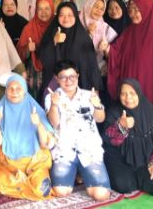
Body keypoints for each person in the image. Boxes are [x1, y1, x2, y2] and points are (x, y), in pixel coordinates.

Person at [103, 0, 153, 172]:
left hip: (152, 91)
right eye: (131, 10)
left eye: (137, 10)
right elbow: (117, 52)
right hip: (132, 93)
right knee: (133, 127)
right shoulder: (130, 32)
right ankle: (138, 162)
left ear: (147, 11)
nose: (133, 14)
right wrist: (107, 49)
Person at [45, 61, 111, 201]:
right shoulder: (51, 97)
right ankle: (76, 172)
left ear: (78, 76)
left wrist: (97, 105)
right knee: (61, 192)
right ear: (57, 79)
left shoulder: (89, 95)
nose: (68, 81)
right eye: (63, 77)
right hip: (64, 151)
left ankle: (81, 172)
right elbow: (54, 123)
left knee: (101, 195)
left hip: (89, 150)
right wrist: (54, 105)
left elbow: (100, 119)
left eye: (72, 76)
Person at [0, 74, 54, 201]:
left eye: (18, 88)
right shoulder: (0, 110)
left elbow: (45, 143)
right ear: (5, 91)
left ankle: (22, 184)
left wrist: (39, 124)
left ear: (25, 91)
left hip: (35, 163)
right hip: (9, 165)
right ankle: (26, 185)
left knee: (41, 190)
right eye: (10, 88)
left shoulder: (35, 109)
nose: (14, 92)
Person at [103, 79, 153, 197]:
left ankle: (137, 178)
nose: (128, 97)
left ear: (139, 93)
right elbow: (107, 140)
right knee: (123, 186)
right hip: (119, 160)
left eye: (132, 93)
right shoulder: (114, 112)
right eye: (123, 93)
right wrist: (121, 126)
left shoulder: (150, 111)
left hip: (144, 162)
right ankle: (128, 178)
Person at [37, 2, 101, 101]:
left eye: (70, 15)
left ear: (76, 16)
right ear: (57, 17)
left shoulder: (83, 38)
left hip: (80, 89)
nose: (66, 18)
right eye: (62, 15)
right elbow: (43, 58)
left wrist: (95, 90)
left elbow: (91, 67)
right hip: (55, 88)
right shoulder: (52, 33)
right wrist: (53, 41)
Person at [16, 0, 54, 99]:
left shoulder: (57, 26)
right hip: (35, 73)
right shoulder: (28, 28)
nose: (43, 12)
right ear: (36, 10)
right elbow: (18, 53)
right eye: (40, 9)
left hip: (54, 69)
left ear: (52, 9)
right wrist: (28, 49)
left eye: (47, 8)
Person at [79, 0, 117, 74]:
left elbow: (116, 51)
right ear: (89, 6)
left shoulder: (105, 28)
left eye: (102, 9)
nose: (99, 11)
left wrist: (106, 48)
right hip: (77, 69)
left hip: (98, 70)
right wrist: (88, 33)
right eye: (96, 7)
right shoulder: (76, 24)